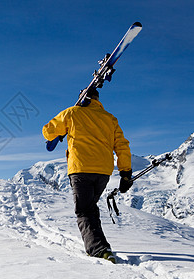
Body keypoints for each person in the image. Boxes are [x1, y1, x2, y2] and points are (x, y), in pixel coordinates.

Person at [42, 88, 132, 263]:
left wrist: (62, 131)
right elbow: (122, 146)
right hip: (103, 172)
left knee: (84, 210)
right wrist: (125, 172)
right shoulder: (110, 119)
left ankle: (99, 249)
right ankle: (99, 244)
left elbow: (47, 131)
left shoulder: (72, 112)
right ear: (98, 100)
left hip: (81, 169)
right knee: (90, 208)